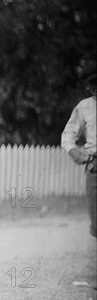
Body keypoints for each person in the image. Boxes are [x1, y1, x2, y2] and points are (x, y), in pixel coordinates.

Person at [62, 61, 97, 237]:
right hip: (95, 168)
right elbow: (68, 135)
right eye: (92, 84)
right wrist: (73, 150)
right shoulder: (84, 107)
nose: (95, 87)